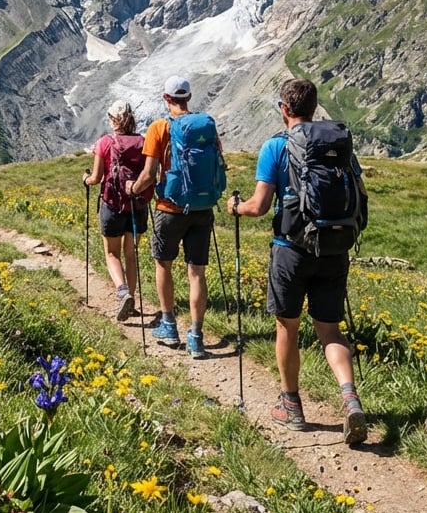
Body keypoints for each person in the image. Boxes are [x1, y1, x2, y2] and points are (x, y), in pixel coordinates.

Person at [228, 77, 368, 445]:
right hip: (334, 247)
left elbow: (259, 206)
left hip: (290, 248)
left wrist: (235, 208)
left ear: (284, 109)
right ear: (314, 107)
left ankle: (292, 406)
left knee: (287, 326)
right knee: (330, 330)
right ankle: (349, 396)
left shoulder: (276, 146)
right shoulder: (341, 146)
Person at [127, 76, 217, 360]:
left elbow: (149, 174)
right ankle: (196, 336)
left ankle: (168, 325)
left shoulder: (159, 127)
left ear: (166, 98)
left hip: (169, 207)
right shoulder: (206, 126)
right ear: (188, 97)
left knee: (163, 264)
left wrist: (133, 188)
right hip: (202, 209)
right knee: (197, 272)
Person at [82, 101, 151, 322]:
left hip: (112, 205)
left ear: (113, 120)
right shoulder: (144, 142)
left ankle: (122, 292)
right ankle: (130, 300)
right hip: (137, 205)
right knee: (131, 255)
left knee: (112, 253)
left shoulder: (105, 143)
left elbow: (96, 178)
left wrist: (85, 179)